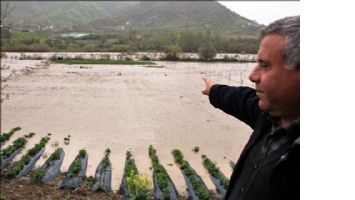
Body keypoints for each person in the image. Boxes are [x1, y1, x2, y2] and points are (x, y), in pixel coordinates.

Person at [202, 15, 300, 200]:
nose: (252, 76)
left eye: (264, 65)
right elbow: (240, 99)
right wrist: (214, 90)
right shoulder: (269, 115)